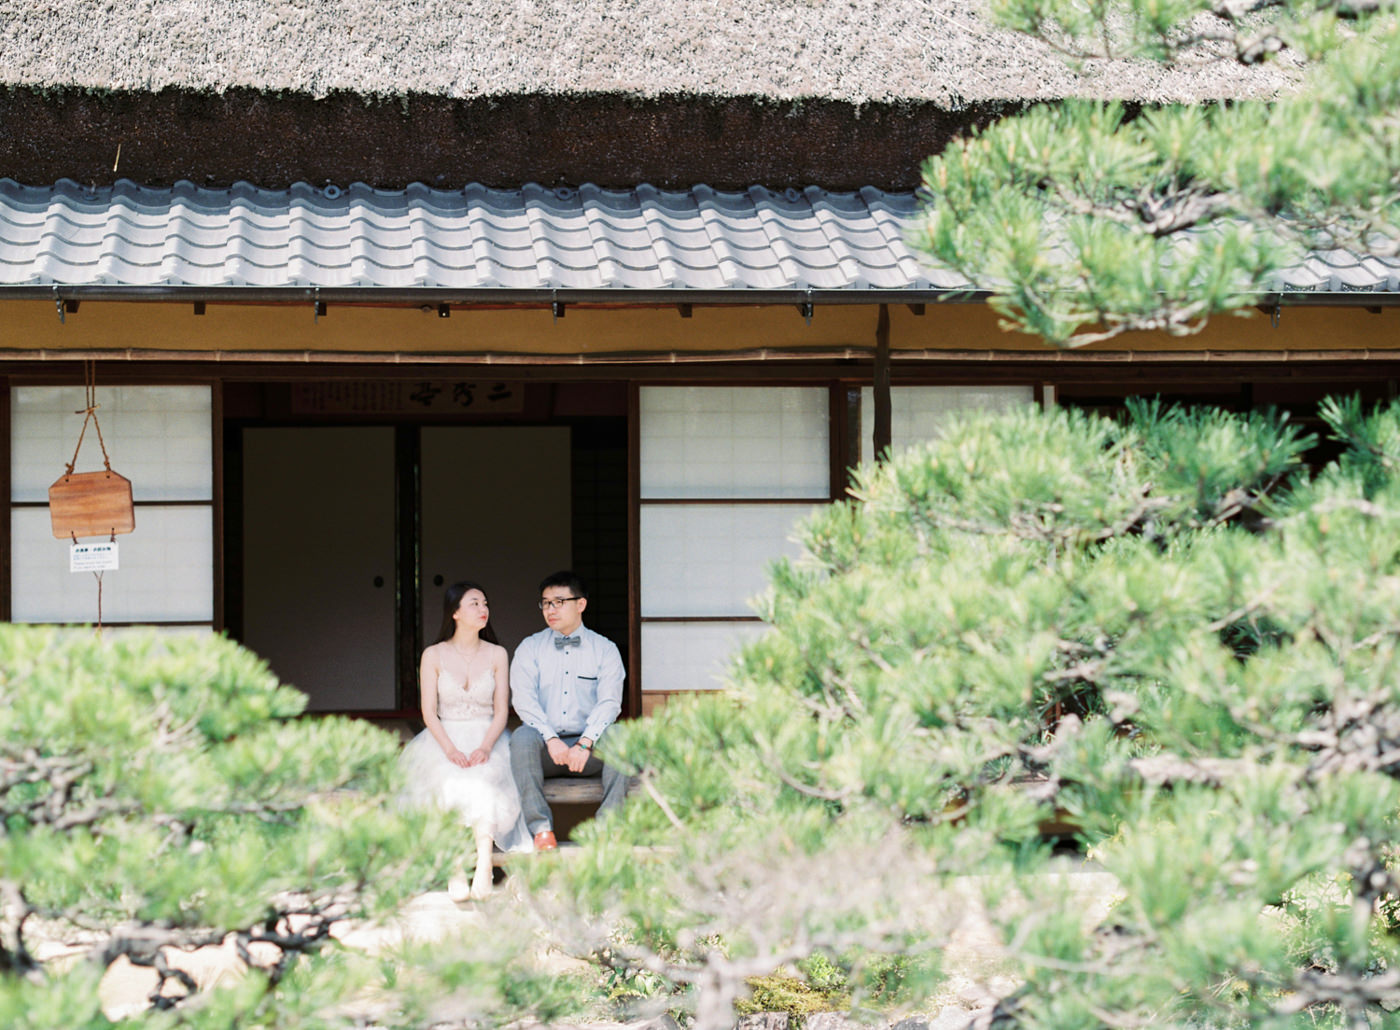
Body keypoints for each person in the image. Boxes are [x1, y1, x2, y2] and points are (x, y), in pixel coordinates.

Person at [399, 581, 532, 900]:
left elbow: (502, 710)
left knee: (484, 780)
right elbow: (429, 712)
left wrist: (485, 747)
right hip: (444, 736)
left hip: (488, 735)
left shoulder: (498, 653)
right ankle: (456, 867)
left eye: (485, 603)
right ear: (455, 612)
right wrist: (450, 750)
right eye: (474, 603)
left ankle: (485, 865)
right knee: (448, 783)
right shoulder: (433, 654)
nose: (483, 609)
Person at [509, 570, 626, 850]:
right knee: (521, 738)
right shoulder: (530, 648)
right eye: (546, 603)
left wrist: (585, 743)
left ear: (581, 604)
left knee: (622, 736)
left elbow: (610, 703)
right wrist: (550, 739)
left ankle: (607, 830)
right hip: (547, 750)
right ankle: (541, 829)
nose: (551, 609)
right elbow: (524, 701)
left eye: (559, 601)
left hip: (591, 750)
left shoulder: (605, 650)